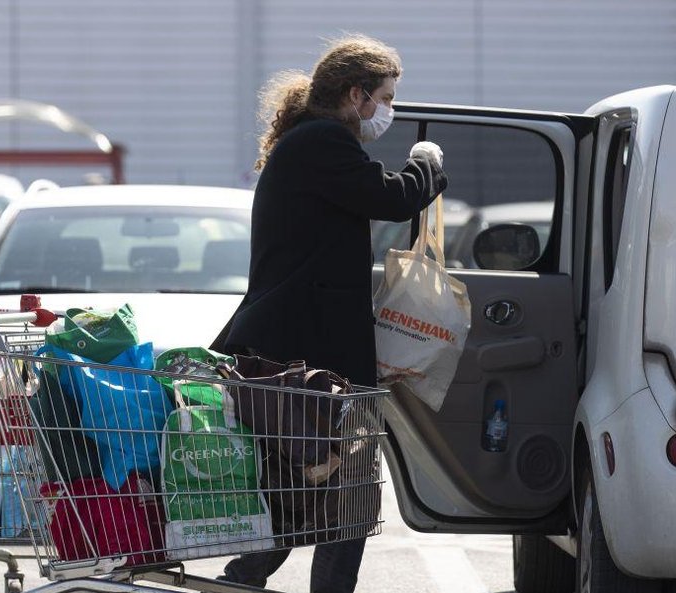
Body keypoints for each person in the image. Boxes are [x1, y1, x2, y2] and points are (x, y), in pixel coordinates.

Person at [212, 34, 447, 593]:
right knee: (343, 490)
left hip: (300, 346)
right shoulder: (322, 141)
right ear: (355, 94)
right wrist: (426, 166)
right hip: (307, 352)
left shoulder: (309, 142)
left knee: (310, 486)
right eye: (385, 98)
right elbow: (389, 198)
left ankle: (241, 580)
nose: (387, 110)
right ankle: (247, 579)